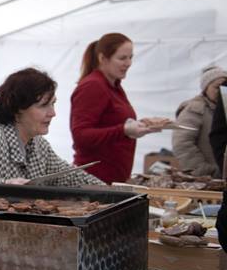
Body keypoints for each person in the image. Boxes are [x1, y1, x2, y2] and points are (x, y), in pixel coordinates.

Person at [70, 32, 169, 184]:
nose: (128, 63)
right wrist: (124, 130)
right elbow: (81, 135)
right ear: (103, 58)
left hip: (113, 178)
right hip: (95, 180)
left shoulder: (114, 86)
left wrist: (144, 124)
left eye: (131, 57)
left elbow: (113, 124)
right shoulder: (93, 86)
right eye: (122, 58)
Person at [174, 65, 227, 177]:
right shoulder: (195, 109)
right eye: (217, 87)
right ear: (205, 88)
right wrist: (204, 170)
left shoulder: (224, 110)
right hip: (206, 178)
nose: (221, 91)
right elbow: (182, 143)